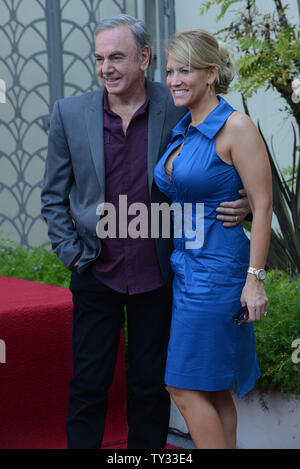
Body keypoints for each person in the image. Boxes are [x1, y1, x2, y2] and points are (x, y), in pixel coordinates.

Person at [41, 16, 251, 449]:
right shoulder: (69, 113)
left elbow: (227, 161)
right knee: (88, 385)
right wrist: (73, 255)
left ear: (143, 58)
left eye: (116, 57)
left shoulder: (178, 104)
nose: (106, 68)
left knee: (150, 388)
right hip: (96, 269)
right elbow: (53, 197)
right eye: (99, 58)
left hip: (160, 271)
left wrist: (246, 200)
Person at [154, 29, 273, 450]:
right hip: (187, 270)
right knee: (212, 388)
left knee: (182, 387)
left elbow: (262, 206)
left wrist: (253, 280)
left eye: (183, 71)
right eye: (169, 71)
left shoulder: (235, 126)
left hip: (218, 274)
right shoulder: (184, 127)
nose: (173, 80)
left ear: (210, 74)